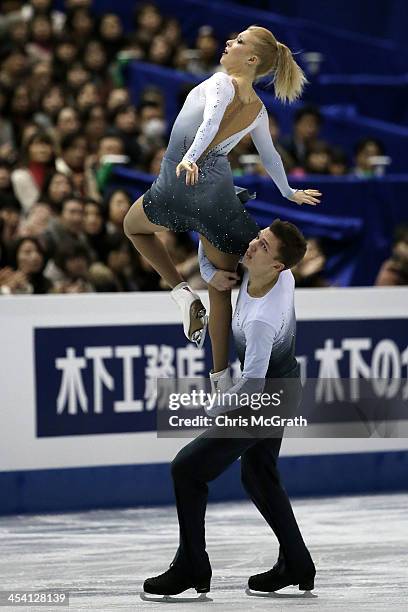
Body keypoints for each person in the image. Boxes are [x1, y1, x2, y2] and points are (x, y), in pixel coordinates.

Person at [124, 25, 321, 363]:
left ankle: (181, 293)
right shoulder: (259, 109)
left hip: (180, 179)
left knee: (133, 226)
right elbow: (270, 154)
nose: (229, 42)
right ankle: (219, 377)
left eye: (240, 41)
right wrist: (288, 192)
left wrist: (188, 158)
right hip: (217, 191)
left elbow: (212, 122)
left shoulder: (220, 82)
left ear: (252, 59)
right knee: (220, 286)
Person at [141, 220, 316, 601]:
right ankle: (298, 563)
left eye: (263, 247)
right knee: (258, 476)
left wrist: (216, 407)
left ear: (278, 267)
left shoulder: (261, 321)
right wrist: (209, 273)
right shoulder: (276, 275)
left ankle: (192, 565)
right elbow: (210, 252)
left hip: (265, 398)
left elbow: (252, 384)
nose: (252, 245)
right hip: (286, 387)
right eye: (259, 237)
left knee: (186, 469)